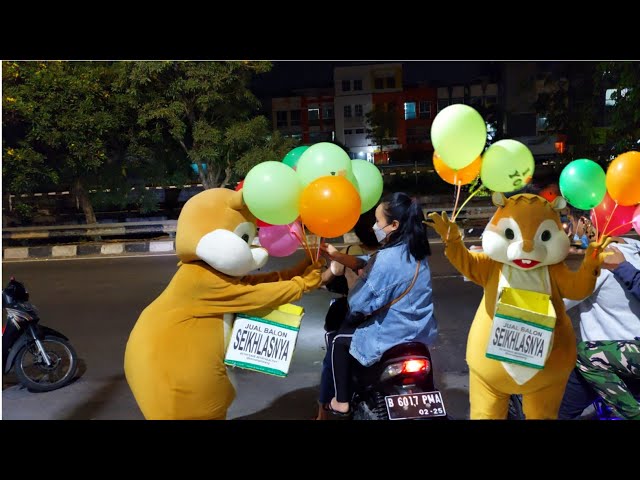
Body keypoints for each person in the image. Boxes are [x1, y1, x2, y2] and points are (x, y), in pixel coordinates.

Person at [319, 192, 436, 417]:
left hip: (391, 333)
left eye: (378, 221)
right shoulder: (417, 253)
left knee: (339, 341)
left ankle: (341, 401)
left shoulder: (386, 258)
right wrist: (340, 257)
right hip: (419, 332)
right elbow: (376, 267)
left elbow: (360, 302)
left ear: (393, 225)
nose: (375, 226)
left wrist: (354, 310)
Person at [558, 236, 640, 420]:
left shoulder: (607, 259)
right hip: (621, 358)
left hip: (602, 360)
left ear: (586, 222)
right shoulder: (632, 250)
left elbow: (558, 303)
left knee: (586, 356)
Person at [315, 210, 379, 420]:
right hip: (385, 319)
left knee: (332, 357)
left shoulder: (351, 252)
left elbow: (326, 277)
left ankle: (325, 411)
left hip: (356, 318)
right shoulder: (394, 252)